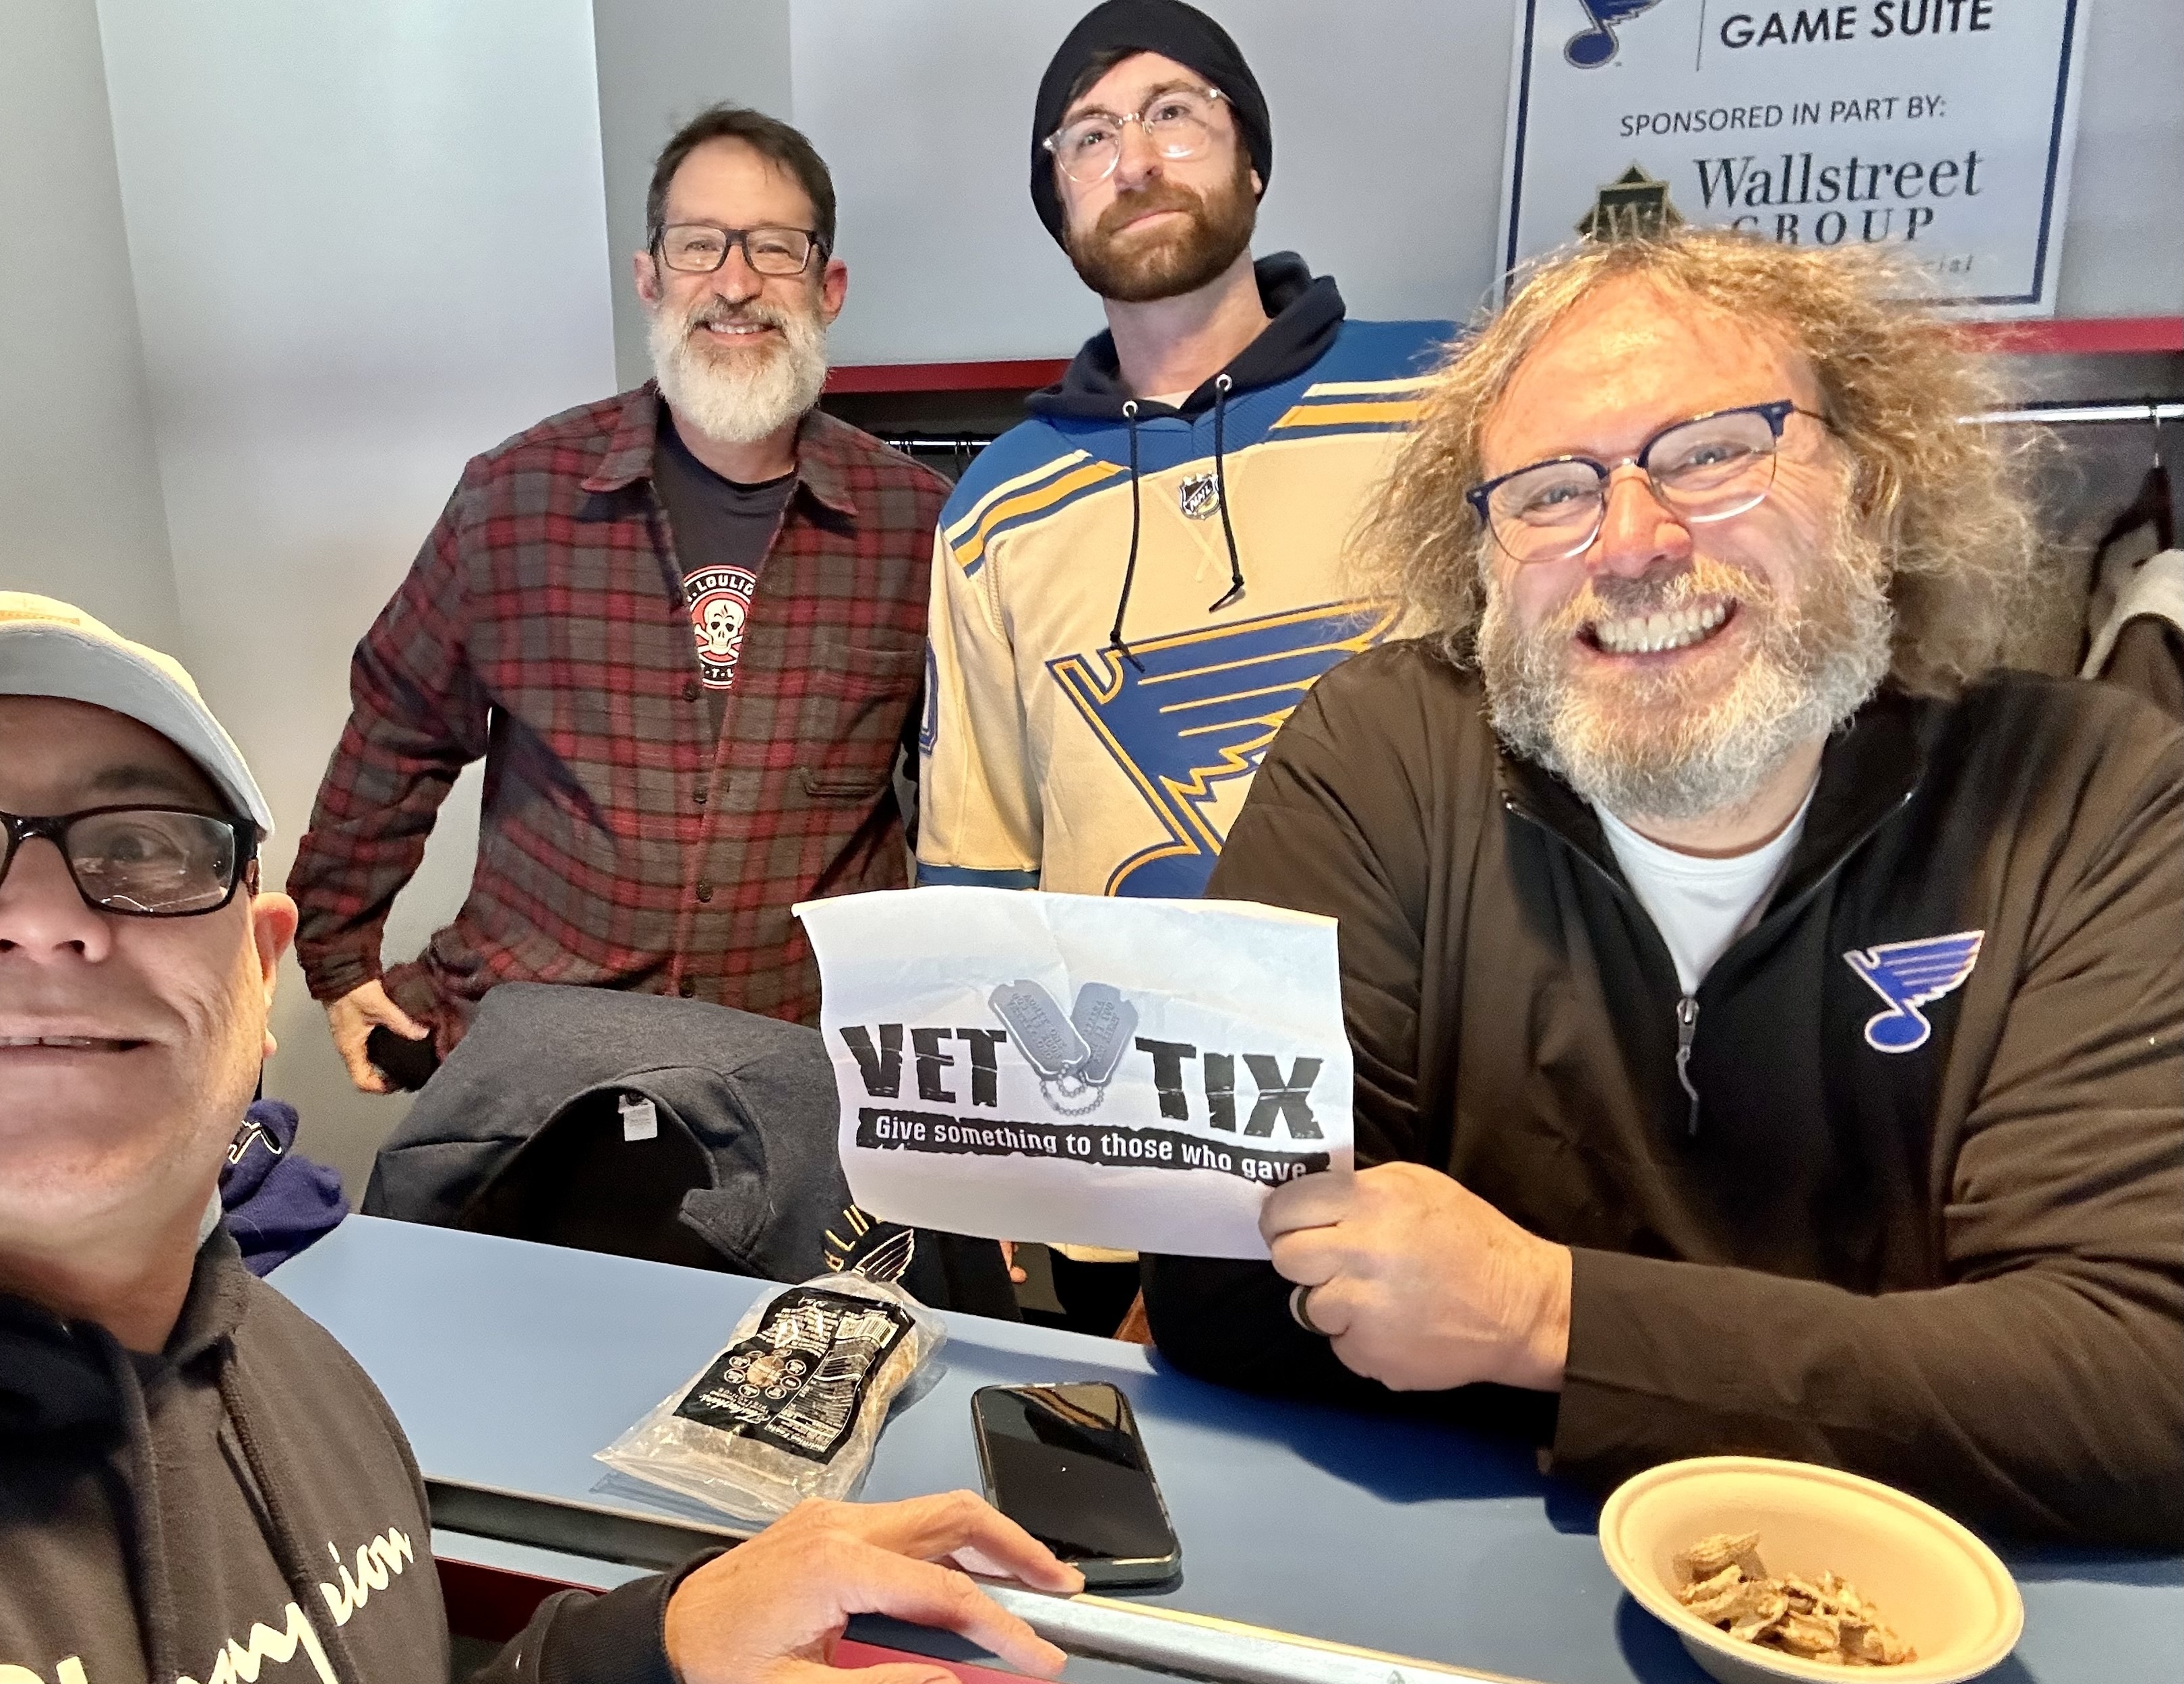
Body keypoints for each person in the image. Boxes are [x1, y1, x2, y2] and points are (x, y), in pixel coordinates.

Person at [0, 592, 1081, 1679]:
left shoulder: (302, 1383)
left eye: (143, 849)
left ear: (254, 967)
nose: (39, 921)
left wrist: (653, 1641)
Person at [1142, 231, 2184, 1548]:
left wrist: (1547, 1317)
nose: (1631, 542)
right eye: (1549, 491)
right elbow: (1228, 1282)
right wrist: (1897, 1381)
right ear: (1483, 559)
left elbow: (2138, 1381)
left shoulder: (2086, 796)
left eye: (1711, 455)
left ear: (1869, 491)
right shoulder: (1381, 753)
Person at [291, 105, 942, 1092]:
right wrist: (338, 956)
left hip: (802, 1064)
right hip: (546, 1052)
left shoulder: (920, 527)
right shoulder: (514, 497)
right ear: (650, 278)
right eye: (698, 246)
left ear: (829, 287)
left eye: (775, 249)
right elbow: (399, 725)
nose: (735, 283)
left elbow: (967, 800)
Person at [917, 0, 1451, 903]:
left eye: (1172, 113)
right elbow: (981, 871)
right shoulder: (995, 509)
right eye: (1091, 137)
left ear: (1252, 162)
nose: (1134, 163)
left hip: (1422, 995)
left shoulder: (1443, 397)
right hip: (1118, 1003)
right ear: (1061, 208)